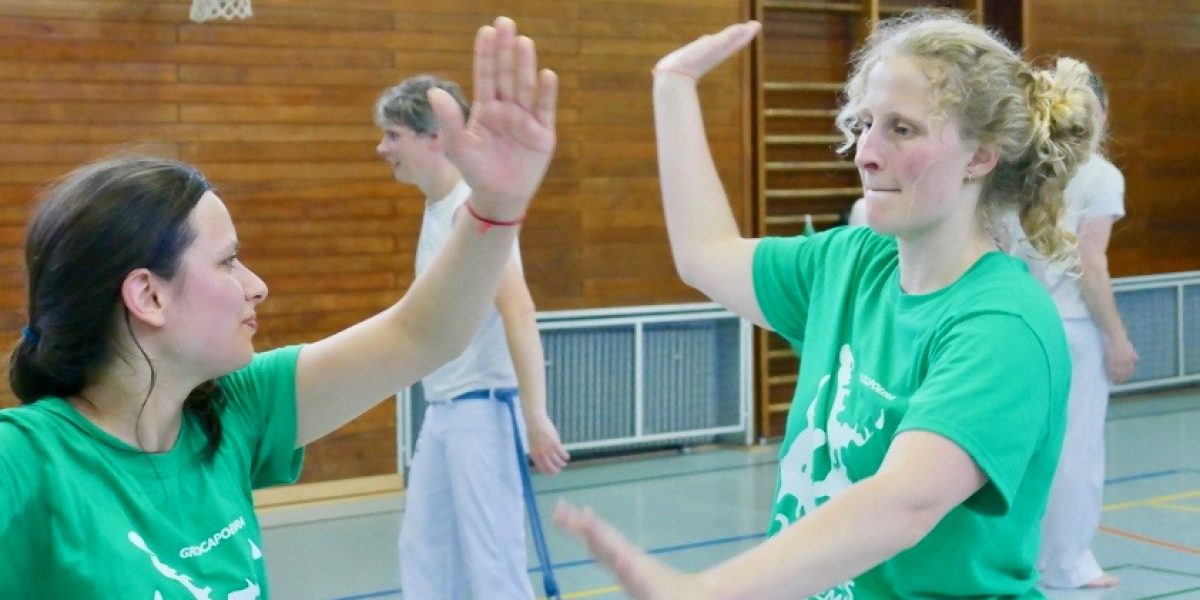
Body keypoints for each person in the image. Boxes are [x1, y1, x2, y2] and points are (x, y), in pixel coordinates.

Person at [0, 16, 557, 598]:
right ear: (149, 296)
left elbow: (419, 335)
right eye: (228, 261)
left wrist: (496, 208)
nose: (257, 285)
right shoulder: (24, 460)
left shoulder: (237, 413)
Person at [556, 10, 1099, 599]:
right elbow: (704, 255)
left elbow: (904, 504)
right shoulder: (852, 264)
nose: (865, 151)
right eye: (865, 123)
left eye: (902, 129)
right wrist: (673, 86)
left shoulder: (1002, 324)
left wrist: (705, 591)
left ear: (980, 157)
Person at [374, 74, 570, 599]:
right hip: (442, 409)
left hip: (483, 409)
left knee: (493, 564)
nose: (382, 147)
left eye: (394, 135)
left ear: (433, 136)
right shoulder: (439, 209)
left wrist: (535, 414)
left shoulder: (472, 209)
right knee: (424, 554)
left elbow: (519, 310)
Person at [1021, 72, 1137, 590]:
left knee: (1024, 448)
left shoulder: (1019, 168)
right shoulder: (1099, 175)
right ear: (1099, 115)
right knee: (1076, 450)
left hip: (1021, 326)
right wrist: (1117, 337)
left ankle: (1022, 554)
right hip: (1071, 331)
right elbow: (1091, 265)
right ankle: (1067, 561)